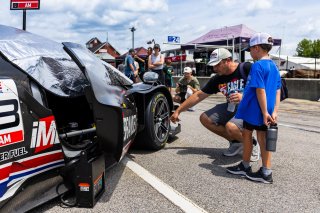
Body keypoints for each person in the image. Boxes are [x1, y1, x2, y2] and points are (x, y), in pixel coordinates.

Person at [170, 48, 260, 161]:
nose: (214, 68)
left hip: (250, 107)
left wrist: (244, 97)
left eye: (217, 64)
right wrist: (179, 111)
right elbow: (198, 95)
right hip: (231, 107)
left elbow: (264, 89)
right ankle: (237, 142)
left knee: (231, 127)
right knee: (205, 118)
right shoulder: (217, 78)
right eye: (213, 65)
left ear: (228, 60)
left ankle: (252, 144)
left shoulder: (246, 68)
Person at [226, 33, 281, 184]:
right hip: (267, 109)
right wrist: (274, 111)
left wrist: (263, 112)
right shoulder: (274, 67)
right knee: (263, 137)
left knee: (248, 134)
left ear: (257, 48)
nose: (249, 52)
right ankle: (265, 169)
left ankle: (249, 167)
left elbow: (260, 90)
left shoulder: (257, 65)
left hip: (255, 109)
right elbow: (277, 90)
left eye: (250, 49)